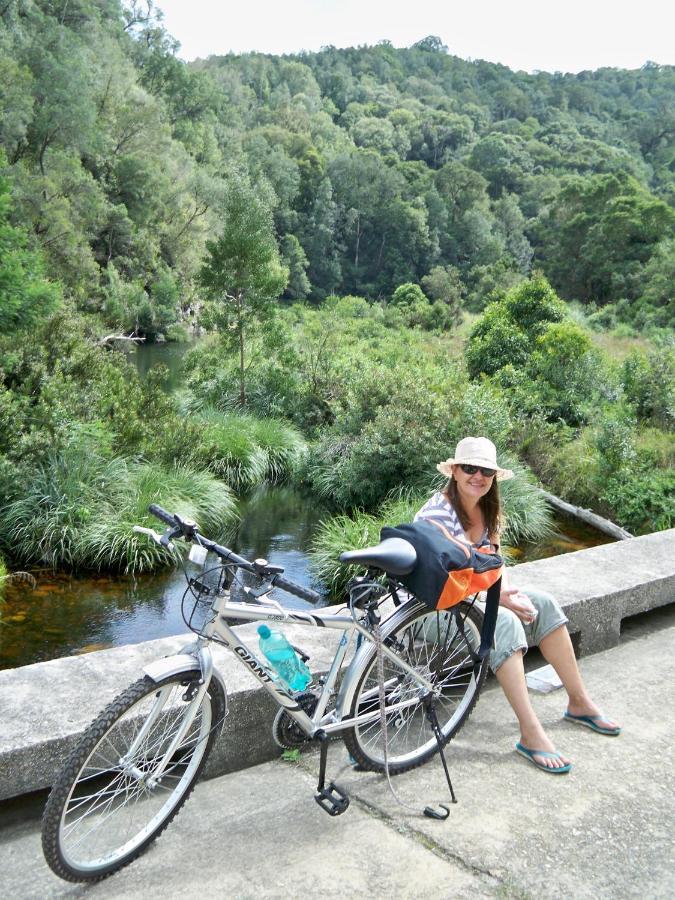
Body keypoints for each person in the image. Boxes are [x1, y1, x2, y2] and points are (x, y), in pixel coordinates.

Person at [414, 436, 621, 773]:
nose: (477, 476)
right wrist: (498, 602)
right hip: (431, 607)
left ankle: (579, 701)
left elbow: (495, 564)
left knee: (544, 604)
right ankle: (530, 732)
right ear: (455, 472)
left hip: (471, 600)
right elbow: (444, 581)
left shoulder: (489, 508)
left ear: (494, 477)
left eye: (485, 471)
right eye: (470, 468)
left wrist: (508, 594)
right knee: (504, 622)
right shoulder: (438, 513)